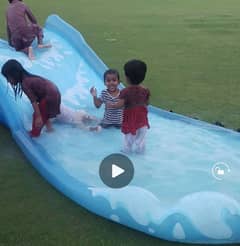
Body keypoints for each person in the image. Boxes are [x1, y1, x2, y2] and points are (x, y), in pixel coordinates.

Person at [1, 59, 61, 137]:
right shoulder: (29, 77)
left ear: (14, 75)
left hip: (49, 97)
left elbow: (33, 101)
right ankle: (50, 129)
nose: (8, 81)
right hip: (54, 92)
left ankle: (34, 135)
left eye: (8, 78)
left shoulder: (25, 83)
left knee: (37, 116)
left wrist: (38, 117)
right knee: (44, 112)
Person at [107, 59, 150, 154]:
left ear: (127, 77)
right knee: (141, 137)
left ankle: (126, 152)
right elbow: (146, 103)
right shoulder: (145, 90)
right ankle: (140, 152)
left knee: (128, 139)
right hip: (142, 119)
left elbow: (120, 105)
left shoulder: (125, 92)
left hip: (131, 120)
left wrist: (112, 105)